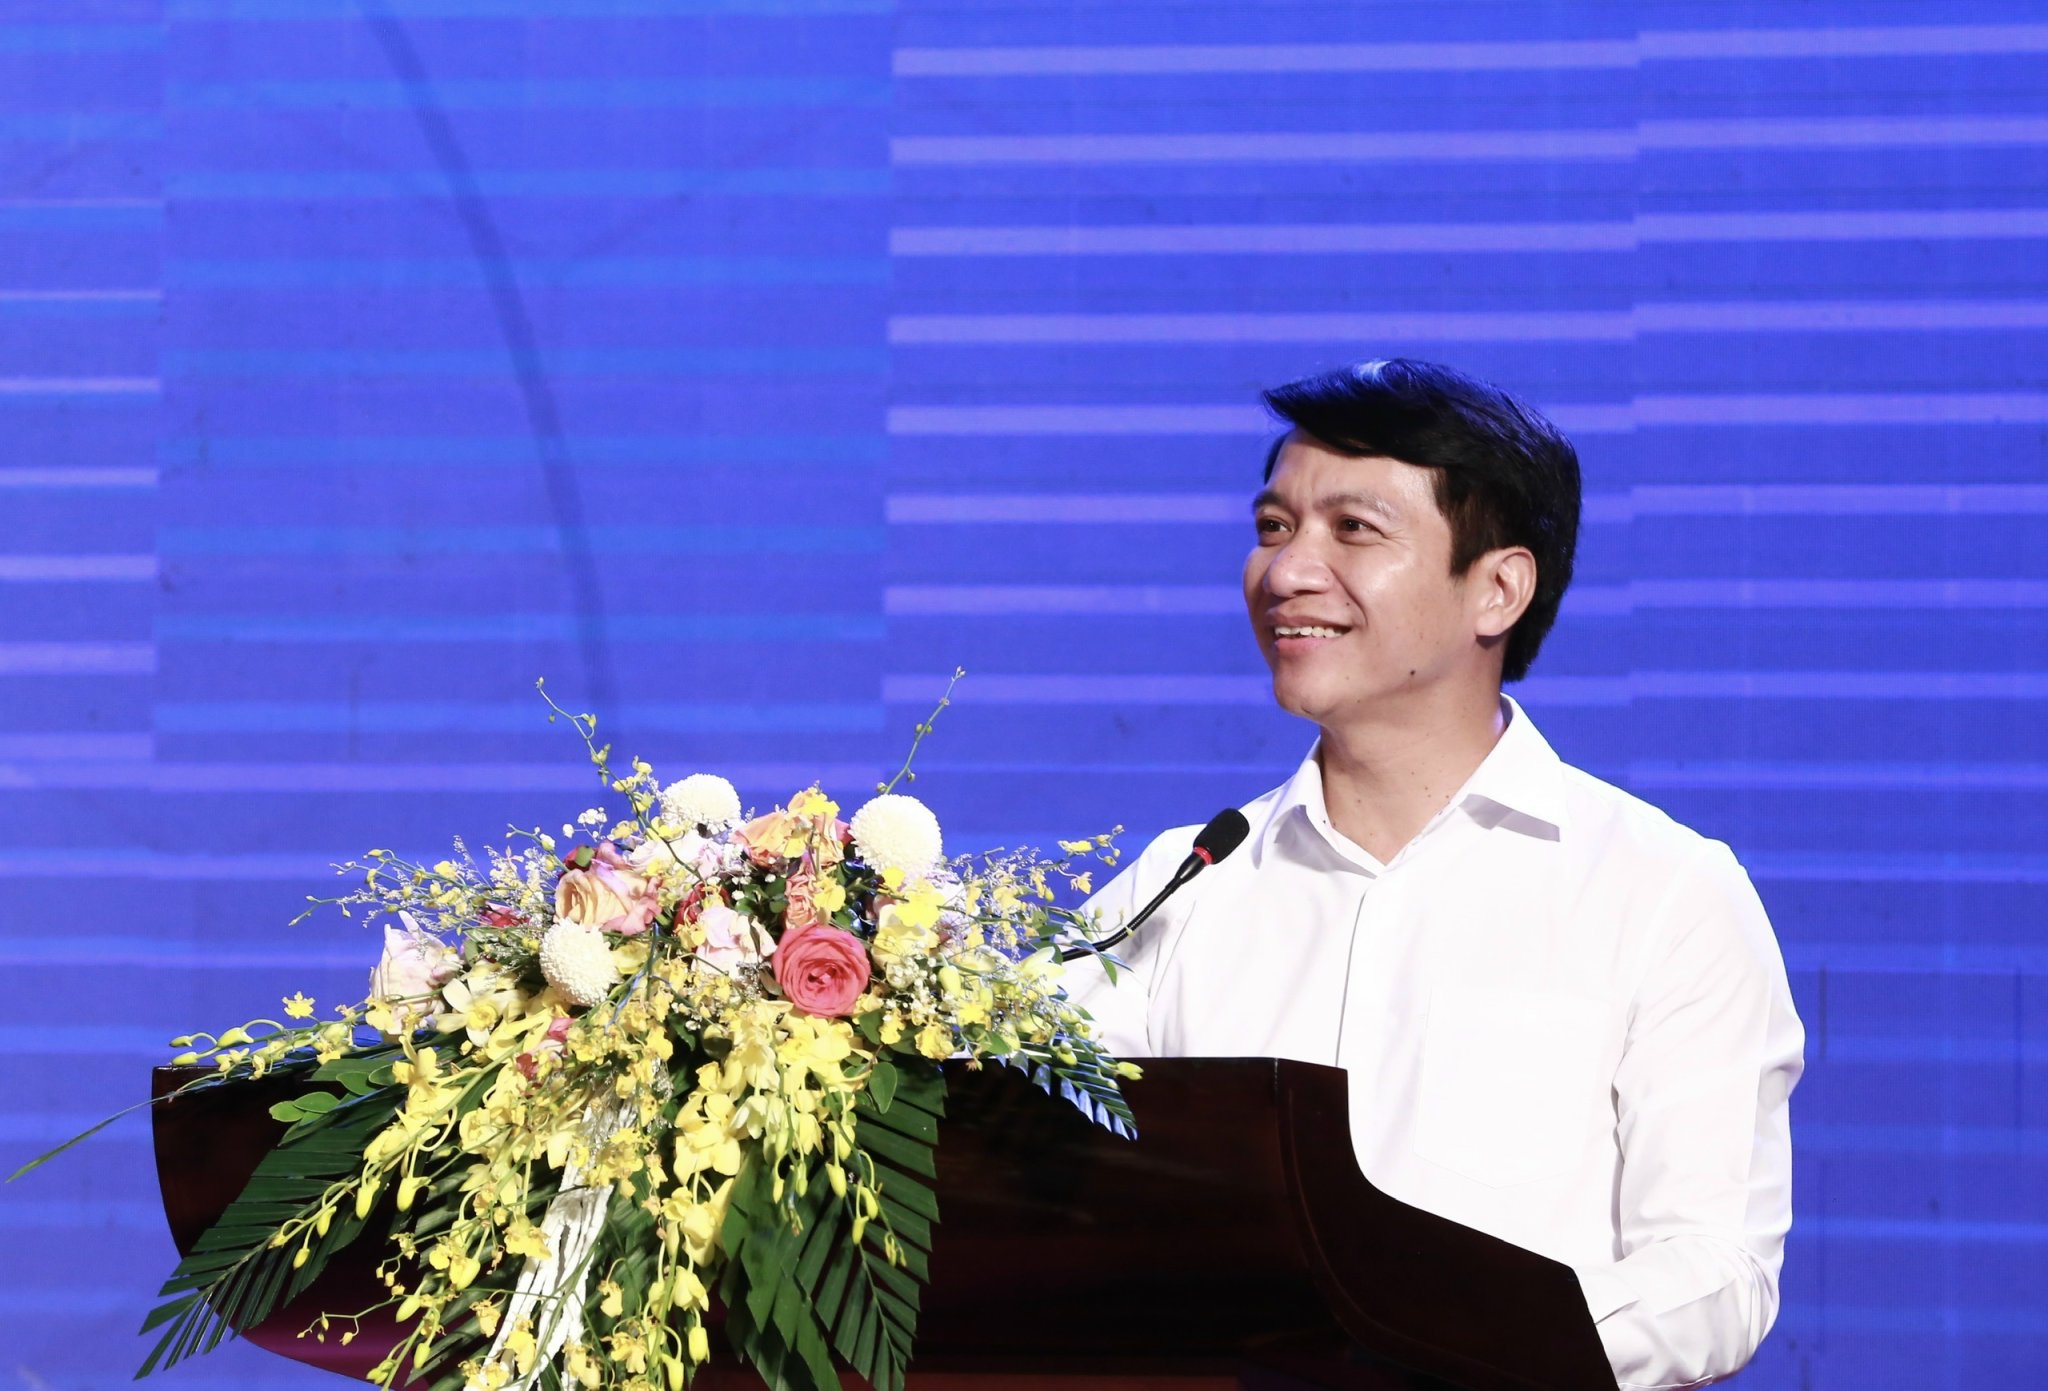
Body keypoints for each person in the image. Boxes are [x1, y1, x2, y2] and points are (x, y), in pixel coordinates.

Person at [1066, 359, 1805, 1391]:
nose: (1286, 571)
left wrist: (1434, 1338)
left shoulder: (1662, 891)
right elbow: (1044, 1203)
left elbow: (1712, 1276)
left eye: (1352, 530)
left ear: (1497, 588)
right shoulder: (1180, 883)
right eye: (1274, 526)